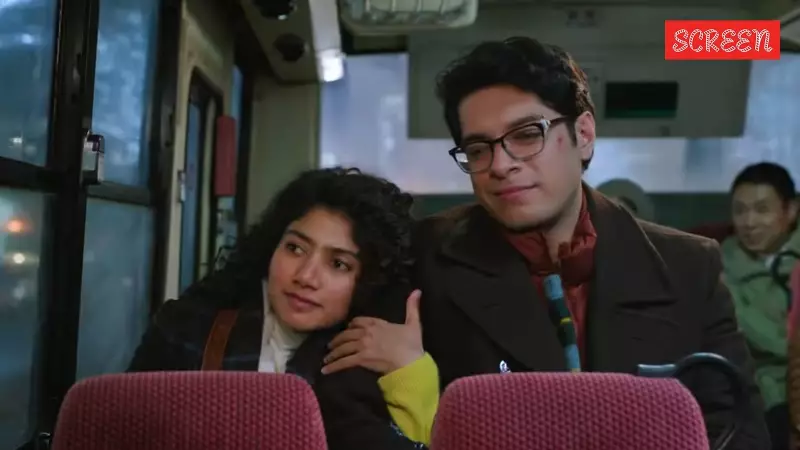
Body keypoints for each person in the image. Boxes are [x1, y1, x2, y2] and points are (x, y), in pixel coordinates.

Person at [320, 37, 771, 449]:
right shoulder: (422, 257)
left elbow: (740, 430)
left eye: (526, 135)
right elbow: (349, 417)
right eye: (478, 149)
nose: (500, 165)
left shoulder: (687, 265)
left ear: (584, 135)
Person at [128, 167, 436, 448]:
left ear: (369, 280)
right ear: (272, 247)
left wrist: (410, 369)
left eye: (338, 264)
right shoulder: (186, 328)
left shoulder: (383, 357)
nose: (305, 277)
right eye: (295, 248)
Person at [722, 162, 799, 450]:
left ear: (790, 211)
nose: (749, 222)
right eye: (740, 210)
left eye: (762, 209)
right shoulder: (717, 263)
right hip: (759, 395)